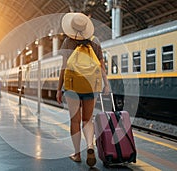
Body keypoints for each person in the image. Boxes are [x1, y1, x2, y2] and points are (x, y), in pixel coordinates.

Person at [56, 12, 110, 167]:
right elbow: (102, 67)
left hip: (72, 86)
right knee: (88, 119)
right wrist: (106, 84)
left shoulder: (67, 42)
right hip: (91, 86)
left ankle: (77, 153)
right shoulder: (96, 41)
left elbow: (64, 68)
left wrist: (59, 89)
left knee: (75, 120)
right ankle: (90, 146)